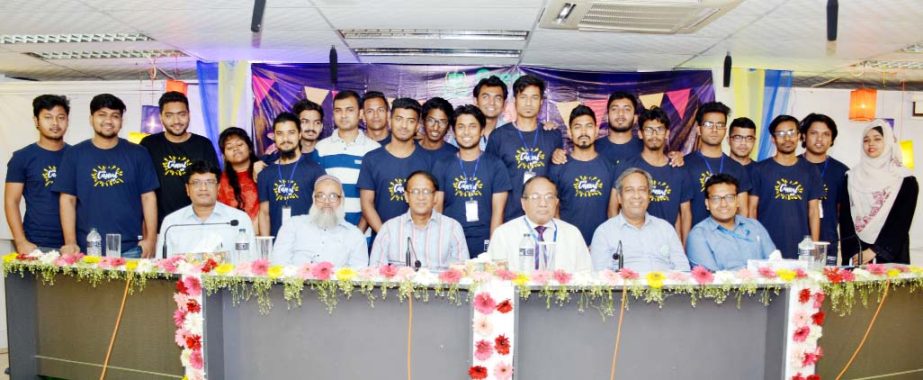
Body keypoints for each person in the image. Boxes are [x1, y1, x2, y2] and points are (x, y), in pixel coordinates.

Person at [53, 94, 159, 258]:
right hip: (86, 248)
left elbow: (148, 197)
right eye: (102, 115)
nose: (108, 121)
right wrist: (70, 242)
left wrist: (150, 239)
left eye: (115, 116)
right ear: (91, 119)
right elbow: (67, 199)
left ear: (121, 121)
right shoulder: (74, 154)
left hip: (131, 249)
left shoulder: (138, 153)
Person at [433, 105, 511, 257]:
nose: (466, 132)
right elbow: (437, 210)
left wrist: (493, 249)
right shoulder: (442, 165)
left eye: (472, 126)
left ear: (482, 130)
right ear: (454, 132)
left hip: (484, 239)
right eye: (461, 127)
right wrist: (439, 244)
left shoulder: (495, 165)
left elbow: (498, 212)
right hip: (451, 238)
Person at [485, 74, 563, 221]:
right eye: (523, 97)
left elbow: (556, 179)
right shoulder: (498, 137)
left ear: (541, 102)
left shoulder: (553, 135)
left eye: (534, 98)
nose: (528, 103)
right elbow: (490, 183)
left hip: (544, 218)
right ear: (515, 101)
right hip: (509, 218)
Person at [840, 120, 918, 265]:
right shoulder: (851, 177)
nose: (871, 144)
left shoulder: (905, 179)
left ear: (888, 142)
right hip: (857, 254)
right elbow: (846, 221)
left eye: (877, 139)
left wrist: (875, 251)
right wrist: (854, 254)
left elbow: (901, 222)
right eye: (866, 140)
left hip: (891, 254)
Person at [140, 91, 220, 228]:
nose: (176, 121)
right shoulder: (149, 145)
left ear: (189, 115)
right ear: (161, 117)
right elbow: (143, 189)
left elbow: (214, 186)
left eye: (181, 115)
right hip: (160, 227)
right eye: (169, 116)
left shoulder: (203, 145)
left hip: (198, 225)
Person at [748, 115, 822, 258]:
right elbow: (752, 208)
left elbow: (814, 210)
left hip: (801, 246)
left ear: (799, 136)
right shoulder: (759, 169)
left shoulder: (811, 170)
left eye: (791, 133)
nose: (787, 138)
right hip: (767, 245)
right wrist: (755, 241)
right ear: (773, 139)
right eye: (781, 134)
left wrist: (815, 246)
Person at [615, 106, 693, 242]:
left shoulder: (679, 169)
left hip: (666, 243)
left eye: (660, 129)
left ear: (667, 133)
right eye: (649, 129)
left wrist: (684, 248)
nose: (654, 134)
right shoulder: (626, 166)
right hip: (632, 240)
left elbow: (685, 213)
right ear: (640, 133)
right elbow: (613, 206)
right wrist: (617, 241)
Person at [5, 95, 71, 253]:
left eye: (60, 117)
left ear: (67, 120)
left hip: (72, 244)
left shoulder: (76, 156)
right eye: (48, 117)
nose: (55, 123)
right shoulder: (22, 157)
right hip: (35, 243)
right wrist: (20, 241)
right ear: (36, 121)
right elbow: (11, 201)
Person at [590, 168, 690, 272]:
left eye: (642, 190)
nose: (636, 196)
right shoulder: (604, 232)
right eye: (629, 190)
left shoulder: (665, 229)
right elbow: (600, 278)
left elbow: (683, 270)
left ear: (649, 196)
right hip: (623, 288)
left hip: (665, 286)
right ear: (619, 197)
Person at [487, 176, 592, 273]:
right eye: (535, 197)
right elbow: (494, 278)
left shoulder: (572, 233)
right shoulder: (503, 234)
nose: (543, 203)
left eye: (549, 197)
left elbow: (586, 275)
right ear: (523, 203)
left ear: (556, 202)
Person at [358, 98, 431, 235]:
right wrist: (385, 236)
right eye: (399, 119)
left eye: (411, 121)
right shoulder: (372, 159)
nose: (404, 125)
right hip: (382, 240)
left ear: (417, 126)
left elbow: (434, 203)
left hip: (420, 239)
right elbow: (367, 204)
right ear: (390, 121)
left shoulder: (428, 160)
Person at [156, 161, 255, 258]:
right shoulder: (171, 223)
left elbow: (252, 262)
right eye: (196, 183)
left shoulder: (239, 219)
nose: (203, 188)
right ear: (187, 189)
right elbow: (162, 266)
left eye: (210, 182)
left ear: (218, 187)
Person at [548, 105, 617, 245]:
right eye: (578, 127)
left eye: (589, 126)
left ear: (597, 131)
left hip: (602, 244)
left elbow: (613, 211)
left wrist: (609, 242)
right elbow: (554, 211)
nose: (583, 131)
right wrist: (564, 241)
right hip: (568, 244)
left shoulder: (610, 167)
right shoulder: (558, 167)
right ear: (569, 132)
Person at [370, 171, 468, 269]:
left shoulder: (453, 228)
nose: (421, 197)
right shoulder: (389, 229)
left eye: (426, 191)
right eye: (415, 191)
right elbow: (375, 273)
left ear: (435, 196)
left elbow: (462, 272)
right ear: (406, 196)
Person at [314, 90, 381, 230]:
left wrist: (358, 233)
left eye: (349, 110)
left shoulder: (375, 150)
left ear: (360, 113)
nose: (343, 115)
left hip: (363, 234)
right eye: (338, 110)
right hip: (328, 232)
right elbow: (316, 194)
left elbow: (375, 198)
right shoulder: (320, 148)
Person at [273, 175, 368, 267]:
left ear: (342, 200)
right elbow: (278, 264)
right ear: (313, 199)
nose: (327, 202)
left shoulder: (355, 235)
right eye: (321, 196)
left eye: (333, 196)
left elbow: (359, 276)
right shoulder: (292, 225)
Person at [686, 174, 776, 271]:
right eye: (716, 199)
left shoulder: (755, 226)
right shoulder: (699, 235)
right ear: (707, 204)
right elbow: (710, 280)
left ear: (737, 201)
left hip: (763, 285)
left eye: (729, 197)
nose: (723, 204)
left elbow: (774, 264)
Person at [257, 112, 326, 237]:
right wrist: (266, 250)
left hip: (308, 244)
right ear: (274, 137)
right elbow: (264, 214)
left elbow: (323, 211)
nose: (285, 139)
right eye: (280, 134)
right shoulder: (265, 174)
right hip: (277, 247)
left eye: (291, 133)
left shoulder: (315, 170)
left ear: (299, 134)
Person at [683, 101, 751, 226]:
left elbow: (743, 211)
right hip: (696, 240)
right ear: (699, 129)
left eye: (720, 125)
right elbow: (680, 212)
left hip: (729, 240)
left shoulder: (737, 169)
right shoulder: (684, 165)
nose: (714, 129)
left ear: (725, 130)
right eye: (709, 124)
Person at [798, 113, 849, 262]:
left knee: (823, 284)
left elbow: (842, 211)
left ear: (832, 139)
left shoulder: (841, 172)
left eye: (826, 134)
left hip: (826, 243)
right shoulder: (792, 166)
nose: (819, 139)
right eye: (814, 133)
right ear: (803, 136)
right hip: (793, 240)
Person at [217, 127, 263, 234]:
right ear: (224, 156)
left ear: (250, 148)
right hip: (233, 236)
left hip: (263, 234)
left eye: (239, 145)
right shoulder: (220, 182)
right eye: (229, 147)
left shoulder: (263, 172)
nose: (235, 149)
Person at [596, 91, 644, 166]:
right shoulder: (594, 148)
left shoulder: (645, 148)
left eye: (627, 109)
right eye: (614, 109)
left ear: (635, 118)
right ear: (607, 117)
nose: (620, 113)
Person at [418, 97, 459, 161]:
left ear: (448, 126)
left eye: (442, 122)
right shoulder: (410, 149)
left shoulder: (455, 155)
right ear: (423, 121)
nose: (435, 127)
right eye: (431, 120)